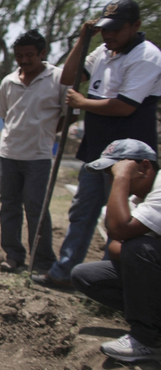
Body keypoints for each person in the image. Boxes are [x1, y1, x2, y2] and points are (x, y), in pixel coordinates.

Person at [32, 0, 161, 287]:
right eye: (104, 29)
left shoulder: (147, 56)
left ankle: (110, 279)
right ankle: (64, 272)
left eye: (116, 29)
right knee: (82, 211)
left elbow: (126, 105)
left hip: (129, 157)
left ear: (135, 26)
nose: (109, 35)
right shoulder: (102, 52)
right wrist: (83, 39)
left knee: (120, 218)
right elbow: (68, 76)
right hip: (97, 151)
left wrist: (82, 102)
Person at [70, 139, 161, 362]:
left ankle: (148, 339)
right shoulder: (132, 200)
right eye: (111, 174)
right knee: (85, 275)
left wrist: (122, 178)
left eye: (116, 172)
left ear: (145, 167)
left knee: (138, 247)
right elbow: (114, 246)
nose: (111, 181)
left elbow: (123, 234)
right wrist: (128, 239)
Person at [0, 30, 70, 273]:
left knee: (36, 208)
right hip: (9, 155)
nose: (24, 61)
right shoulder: (8, 81)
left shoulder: (59, 78)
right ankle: (13, 255)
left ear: (42, 53)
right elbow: (6, 116)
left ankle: (43, 260)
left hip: (38, 156)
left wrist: (45, 134)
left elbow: (68, 117)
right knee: (9, 207)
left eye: (29, 55)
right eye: (19, 56)